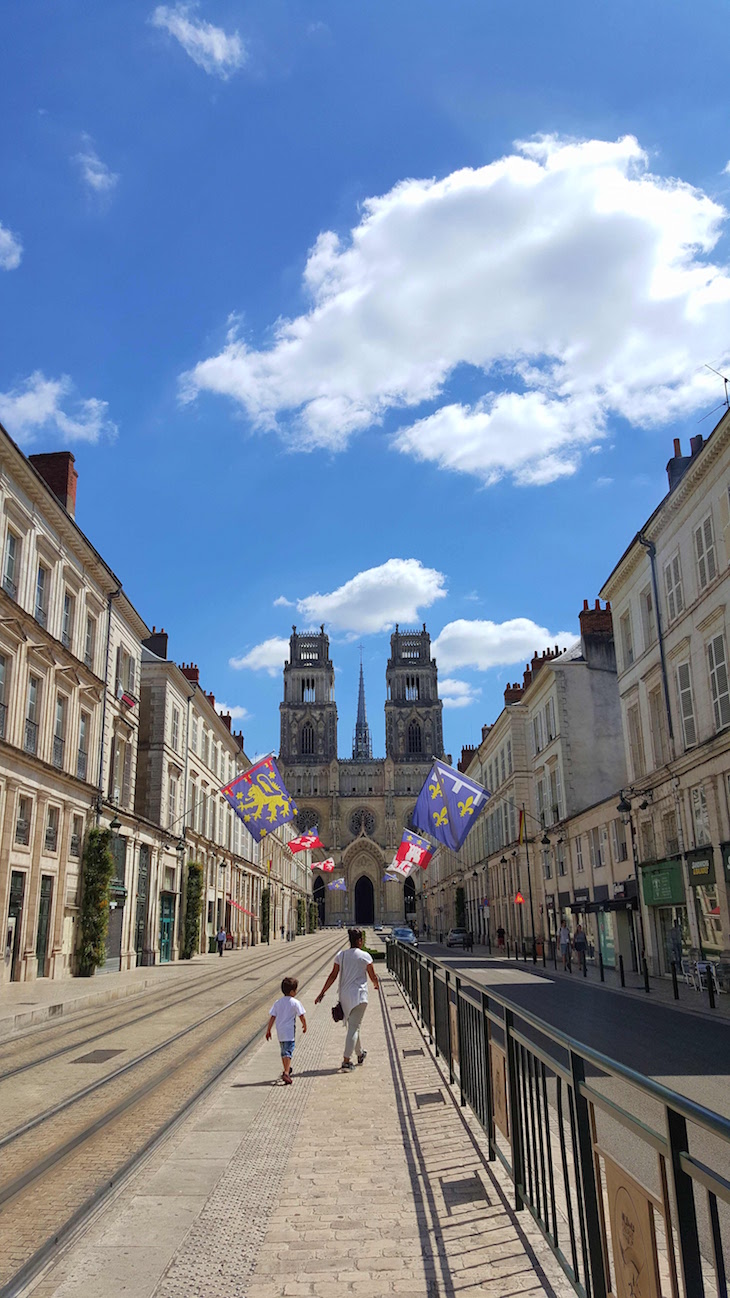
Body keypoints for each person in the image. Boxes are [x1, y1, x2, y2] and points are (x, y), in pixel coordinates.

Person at [315, 927, 379, 1071]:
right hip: (360, 996)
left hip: (344, 997)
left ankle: (360, 1053)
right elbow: (373, 976)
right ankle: (346, 1061)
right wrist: (376, 985)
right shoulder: (365, 956)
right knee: (354, 1028)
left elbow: (332, 976)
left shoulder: (341, 955)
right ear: (360, 941)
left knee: (353, 1027)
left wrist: (322, 992)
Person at [266, 975, 307, 1085]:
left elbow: (273, 1017)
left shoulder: (278, 1002)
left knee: (283, 1051)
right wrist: (304, 1025)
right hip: (289, 1032)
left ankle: (287, 1069)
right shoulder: (295, 1002)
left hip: (280, 1032)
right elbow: (301, 1015)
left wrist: (268, 1030)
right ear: (293, 991)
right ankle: (286, 1073)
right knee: (288, 1052)